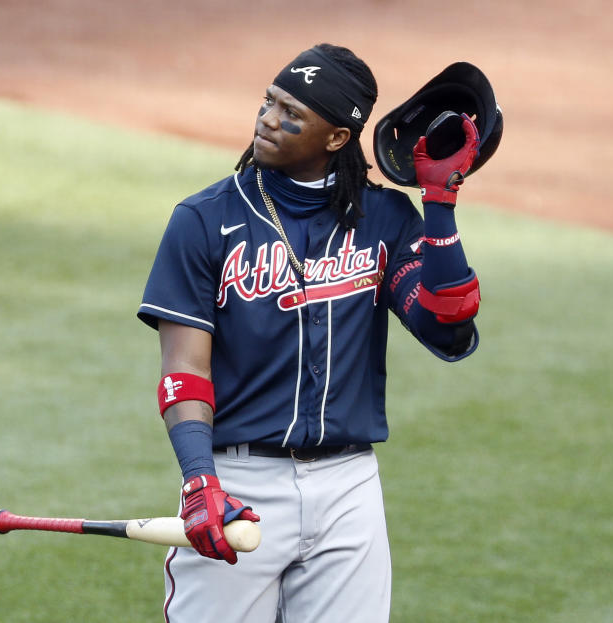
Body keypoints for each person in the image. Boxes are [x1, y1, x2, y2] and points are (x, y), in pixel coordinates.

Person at [137, 43, 482, 623]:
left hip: (348, 487)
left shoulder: (384, 220)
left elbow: (447, 326)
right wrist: (200, 480)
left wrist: (440, 203)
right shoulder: (203, 220)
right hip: (238, 483)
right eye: (269, 102)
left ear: (337, 138)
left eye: (292, 113)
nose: (268, 120)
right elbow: (184, 373)